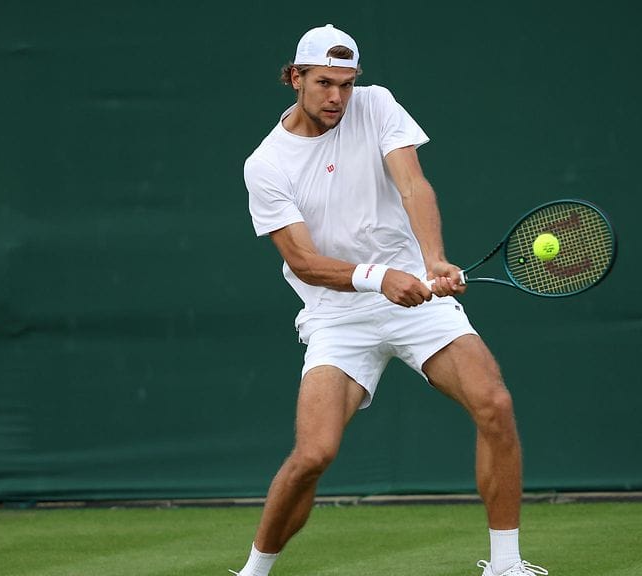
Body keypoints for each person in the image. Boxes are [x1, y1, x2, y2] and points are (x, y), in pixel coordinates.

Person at [236, 24, 548, 576]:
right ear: (294, 78)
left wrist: (432, 259)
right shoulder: (266, 165)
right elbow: (304, 262)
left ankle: (506, 565)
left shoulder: (375, 106)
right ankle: (254, 572)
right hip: (337, 315)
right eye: (324, 83)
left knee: (493, 405)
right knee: (314, 456)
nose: (337, 97)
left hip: (415, 295)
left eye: (347, 84)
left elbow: (412, 184)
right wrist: (378, 278)